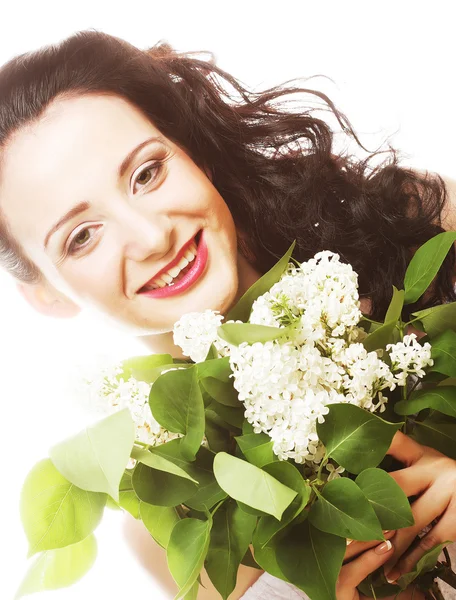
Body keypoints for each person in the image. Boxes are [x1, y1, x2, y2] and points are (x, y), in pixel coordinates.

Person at [0, 29, 455, 600]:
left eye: (147, 173)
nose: (152, 236)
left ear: (194, 153)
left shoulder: (416, 224)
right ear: (46, 293)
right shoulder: (163, 521)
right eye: (83, 236)